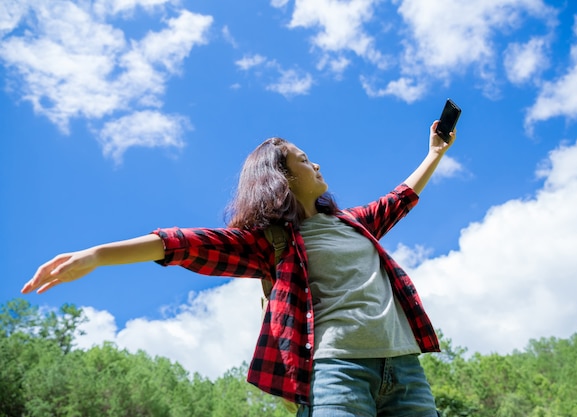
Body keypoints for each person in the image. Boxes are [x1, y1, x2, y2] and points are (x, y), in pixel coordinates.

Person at [22, 120, 456, 417]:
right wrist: (98, 255)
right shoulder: (271, 242)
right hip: (336, 370)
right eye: (304, 160)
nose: (317, 164)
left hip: (404, 367)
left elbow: (402, 196)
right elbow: (182, 244)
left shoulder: (355, 223)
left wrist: (435, 153)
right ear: (282, 177)